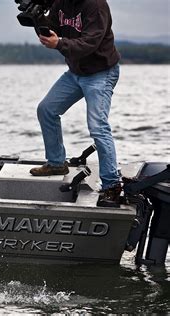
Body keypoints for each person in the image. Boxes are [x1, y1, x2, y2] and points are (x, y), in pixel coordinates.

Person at [29, 0, 121, 207]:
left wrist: (60, 43)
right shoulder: (60, 3)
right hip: (76, 73)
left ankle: (112, 184)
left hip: (101, 73)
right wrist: (35, 16)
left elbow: (90, 43)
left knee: (98, 126)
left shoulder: (95, 5)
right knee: (46, 110)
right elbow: (50, 29)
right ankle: (56, 163)